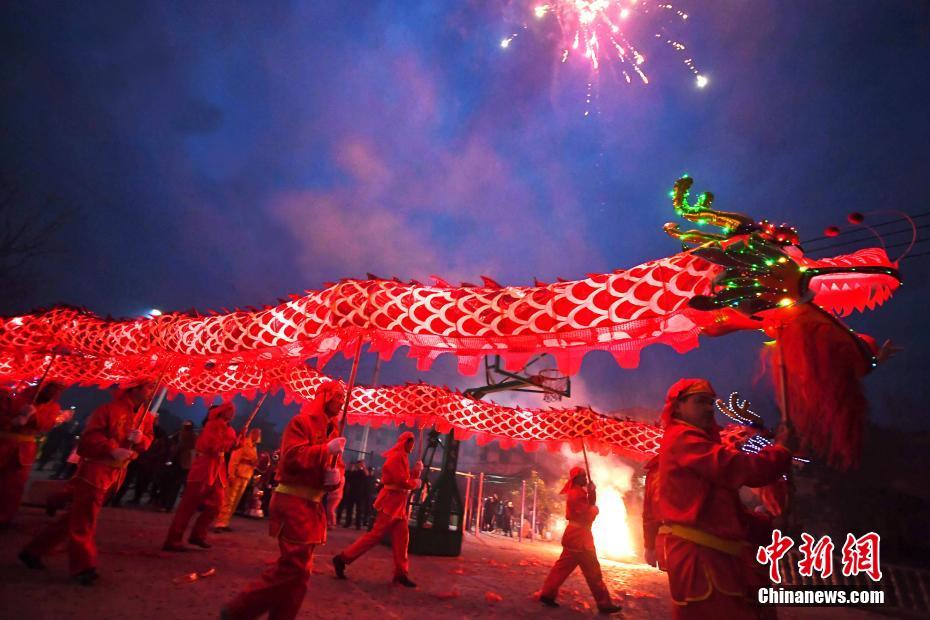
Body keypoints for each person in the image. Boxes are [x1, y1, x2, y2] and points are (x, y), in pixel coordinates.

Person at [654, 378, 792, 619]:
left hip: (717, 555)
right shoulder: (683, 438)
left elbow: (720, 502)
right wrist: (779, 453)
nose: (709, 408)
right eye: (700, 402)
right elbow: (734, 467)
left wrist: (762, 524)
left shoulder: (698, 440)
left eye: (710, 403)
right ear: (678, 407)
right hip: (703, 558)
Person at [221, 382, 346, 620]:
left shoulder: (334, 432)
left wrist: (335, 478)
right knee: (294, 568)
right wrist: (324, 451)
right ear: (324, 397)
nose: (341, 401)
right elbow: (291, 458)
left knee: (301, 574)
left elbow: (333, 469)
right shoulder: (301, 423)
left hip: (312, 507)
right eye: (338, 396)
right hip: (293, 502)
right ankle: (239, 609)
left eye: (343, 397)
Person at [19, 381, 155, 585]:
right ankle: (83, 567)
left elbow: (148, 442)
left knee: (76, 516)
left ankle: (34, 550)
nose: (152, 391)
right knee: (85, 519)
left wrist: (142, 439)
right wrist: (111, 448)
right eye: (148, 386)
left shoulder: (147, 417)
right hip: (95, 470)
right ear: (133, 388)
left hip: (117, 473)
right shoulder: (108, 410)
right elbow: (89, 438)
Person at [332, 431, 422, 587]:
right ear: (406, 442)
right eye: (412, 442)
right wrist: (415, 482)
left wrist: (416, 472)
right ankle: (342, 558)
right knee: (375, 536)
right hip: (390, 503)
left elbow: (404, 478)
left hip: (397, 504)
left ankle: (401, 573)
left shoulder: (401, 457)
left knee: (402, 539)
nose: (413, 446)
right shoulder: (397, 457)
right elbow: (400, 480)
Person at [539, 466, 623, 614]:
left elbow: (588, 505)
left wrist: (592, 492)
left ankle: (547, 594)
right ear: (576, 478)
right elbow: (587, 514)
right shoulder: (576, 494)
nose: (585, 478)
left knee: (561, 568)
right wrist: (595, 509)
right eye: (583, 476)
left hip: (575, 536)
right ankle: (604, 603)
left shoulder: (578, 492)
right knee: (593, 572)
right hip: (581, 538)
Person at [163, 402, 237, 550]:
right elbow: (214, 447)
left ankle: (198, 535)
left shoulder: (228, 428)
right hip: (204, 468)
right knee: (188, 506)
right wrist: (229, 441)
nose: (232, 413)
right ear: (222, 412)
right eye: (230, 410)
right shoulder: (213, 425)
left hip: (218, 471)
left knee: (216, 505)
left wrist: (237, 440)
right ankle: (173, 540)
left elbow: (228, 447)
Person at [0, 382, 67, 526]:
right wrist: (12, 421)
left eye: (60, 390)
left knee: (15, 485)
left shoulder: (54, 407)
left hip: (25, 449)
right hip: (4, 443)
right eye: (53, 388)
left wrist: (32, 416)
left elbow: (46, 425)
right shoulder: (16, 398)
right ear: (44, 386)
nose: (55, 392)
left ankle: (5, 516)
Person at [214, 428, 261, 531]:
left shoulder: (254, 447)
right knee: (228, 500)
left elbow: (252, 462)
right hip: (237, 475)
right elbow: (234, 459)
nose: (258, 436)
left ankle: (225, 522)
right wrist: (231, 475)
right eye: (257, 433)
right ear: (252, 434)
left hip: (246, 476)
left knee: (235, 501)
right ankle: (219, 522)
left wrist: (255, 464)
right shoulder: (243, 443)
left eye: (259, 434)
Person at [158, 420, 196, 511]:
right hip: (174, 461)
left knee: (174, 486)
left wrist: (178, 446)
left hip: (182, 464)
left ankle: (167, 505)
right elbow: (171, 443)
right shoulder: (178, 434)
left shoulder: (192, 436)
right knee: (168, 484)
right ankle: (164, 504)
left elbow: (189, 446)